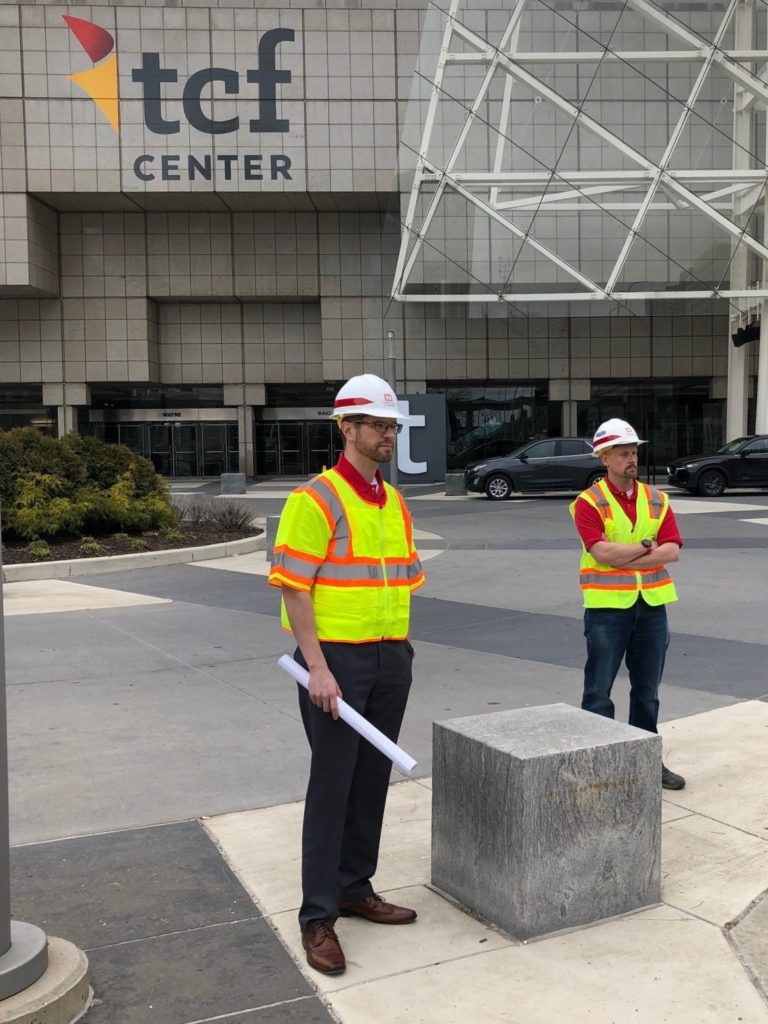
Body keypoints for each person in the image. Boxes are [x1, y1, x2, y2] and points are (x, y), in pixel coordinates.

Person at [268, 373, 425, 975]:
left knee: (370, 781)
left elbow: (400, 580)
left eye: (392, 426)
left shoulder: (395, 501)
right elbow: (293, 587)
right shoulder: (316, 499)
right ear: (348, 429)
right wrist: (318, 668)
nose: (387, 435)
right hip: (335, 663)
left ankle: (356, 887)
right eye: (378, 426)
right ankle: (317, 917)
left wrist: (400, 652)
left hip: (390, 657)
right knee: (332, 786)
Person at [570, 418, 686, 791]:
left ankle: (646, 760)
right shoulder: (588, 502)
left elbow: (673, 551)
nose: (631, 458)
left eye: (634, 451)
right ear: (604, 457)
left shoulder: (657, 498)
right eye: (623, 452)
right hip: (607, 608)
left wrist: (631, 555)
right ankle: (599, 764)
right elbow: (600, 552)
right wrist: (647, 547)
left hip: (651, 606)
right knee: (598, 690)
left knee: (647, 692)